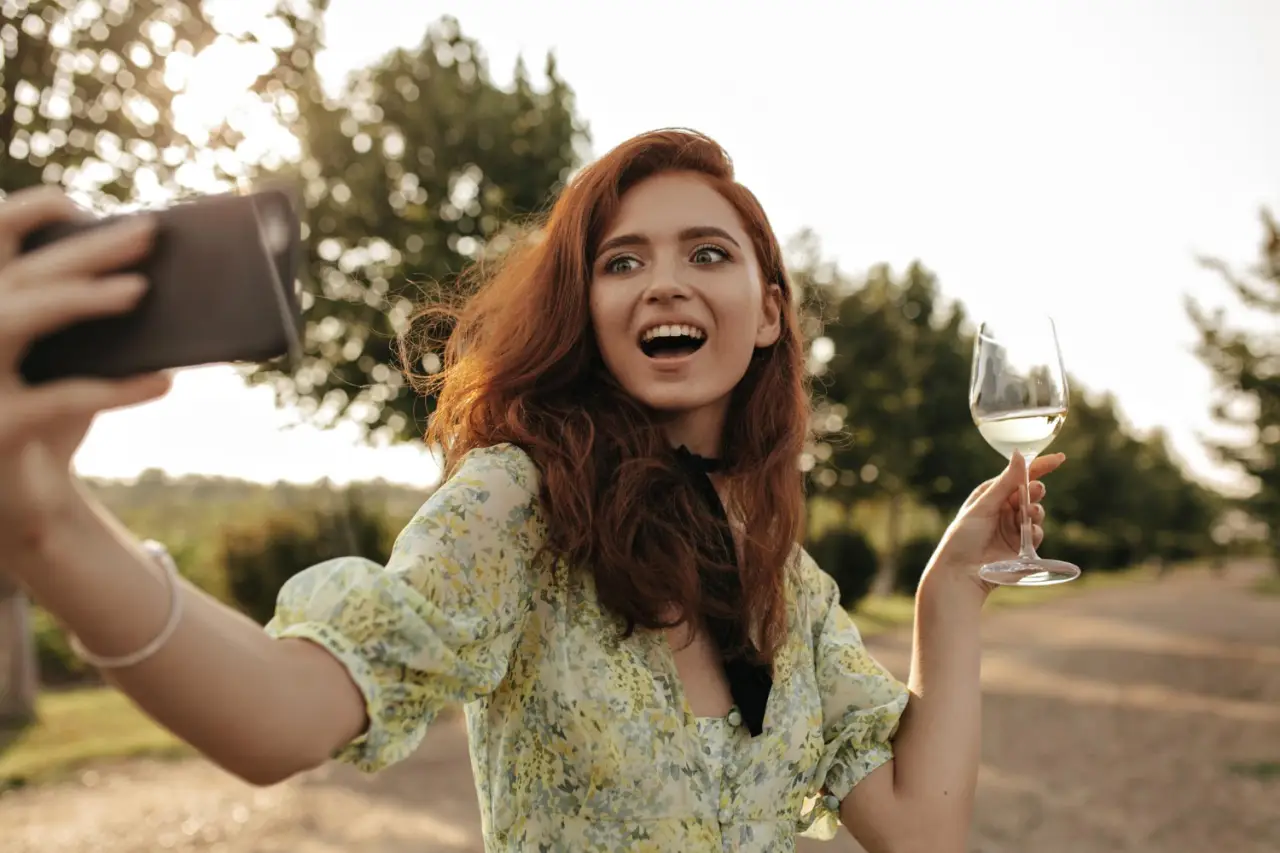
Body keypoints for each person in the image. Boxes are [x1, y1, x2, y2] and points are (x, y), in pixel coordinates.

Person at [0, 129, 1064, 852]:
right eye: (619, 261)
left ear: (769, 312)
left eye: (707, 251)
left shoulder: (783, 575)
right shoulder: (519, 501)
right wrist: (47, 524)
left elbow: (917, 827)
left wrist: (948, 595)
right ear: (586, 307)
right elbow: (280, 718)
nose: (663, 281)